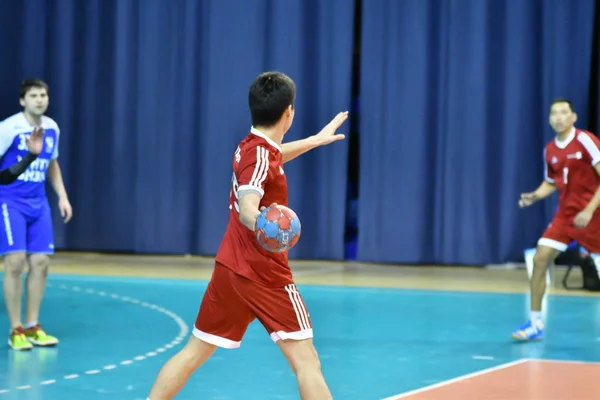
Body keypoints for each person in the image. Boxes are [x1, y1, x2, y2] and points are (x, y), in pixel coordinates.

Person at [147, 71, 347, 400]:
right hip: (265, 274)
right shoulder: (258, 157)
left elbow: (271, 159)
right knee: (306, 362)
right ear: (289, 113)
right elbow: (247, 207)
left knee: (194, 353)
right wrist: (267, 226)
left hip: (230, 270)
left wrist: (314, 140)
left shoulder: (252, 148)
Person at [513, 98, 600, 341]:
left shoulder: (586, 140)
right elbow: (551, 182)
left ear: (574, 117)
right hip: (566, 217)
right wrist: (534, 196)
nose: (559, 117)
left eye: (564, 113)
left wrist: (589, 210)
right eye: (554, 114)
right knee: (541, 257)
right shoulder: (550, 149)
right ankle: (535, 323)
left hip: (594, 215)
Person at [0, 78, 73, 351]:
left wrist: (62, 197)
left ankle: (33, 325)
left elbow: (52, 164)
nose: (40, 100)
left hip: (38, 203)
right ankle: (15, 329)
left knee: (41, 262)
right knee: (16, 262)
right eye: (34, 95)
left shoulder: (52, 127)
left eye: (43, 95)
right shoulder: (9, 128)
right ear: (23, 100)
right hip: (9, 201)